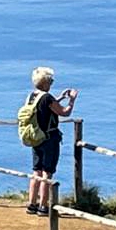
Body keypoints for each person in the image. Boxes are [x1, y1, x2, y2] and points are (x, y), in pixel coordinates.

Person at [23, 66, 77, 216]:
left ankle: (31, 204)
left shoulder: (32, 96)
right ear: (46, 82)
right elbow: (64, 113)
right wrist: (72, 100)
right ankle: (43, 206)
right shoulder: (47, 97)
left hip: (36, 138)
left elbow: (44, 108)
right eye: (51, 80)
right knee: (47, 173)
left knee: (36, 171)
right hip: (49, 139)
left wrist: (59, 98)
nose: (52, 83)